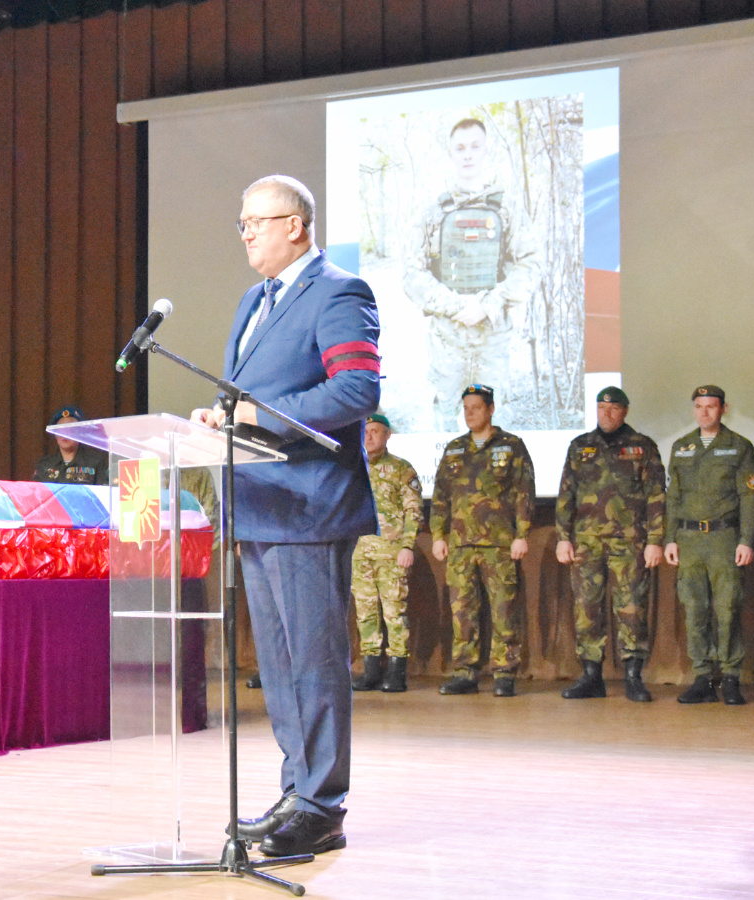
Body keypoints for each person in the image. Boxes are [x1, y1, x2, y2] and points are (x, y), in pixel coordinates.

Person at [190, 174, 379, 857]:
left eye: (256, 222)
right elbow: (249, 395)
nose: (246, 234)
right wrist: (221, 417)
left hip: (310, 507)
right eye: (242, 223)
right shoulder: (254, 300)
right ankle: (298, 790)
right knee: (276, 664)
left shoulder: (339, 290)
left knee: (314, 661)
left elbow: (356, 387)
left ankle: (323, 804)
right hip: (260, 507)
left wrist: (260, 416)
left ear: (296, 224)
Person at [405, 117, 542, 431]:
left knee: (493, 424)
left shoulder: (507, 208)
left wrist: (488, 304)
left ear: (486, 152)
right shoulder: (433, 212)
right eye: (460, 148)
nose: (468, 154)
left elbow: (531, 264)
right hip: (446, 337)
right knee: (445, 418)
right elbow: (412, 274)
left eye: (475, 146)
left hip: (492, 337)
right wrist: (456, 307)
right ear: (451, 154)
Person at [553, 387, 666, 702]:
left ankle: (633, 676)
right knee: (586, 609)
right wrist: (563, 538)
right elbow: (566, 495)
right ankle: (591, 676)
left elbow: (656, 496)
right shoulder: (580, 446)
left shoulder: (642, 447)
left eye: (613, 408)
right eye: (601, 407)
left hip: (630, 542)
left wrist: (655, 540)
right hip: (586, 542)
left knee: (631, 608)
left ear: (625, 411)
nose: (606, 413)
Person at [430, 384, 534, 698]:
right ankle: (465, 672)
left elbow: (524, 493)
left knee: (504, 610)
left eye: (476, 407)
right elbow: (440, 496)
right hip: (461, 544)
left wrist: (522, 534)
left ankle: (504, 673)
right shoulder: (454, 449)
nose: (470, 413)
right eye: (465, 408)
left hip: (499, 544)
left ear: (490, 409)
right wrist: (438, 534)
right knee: (463, 612)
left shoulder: (512, 445)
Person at [663, 386, 754, 706]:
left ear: (723, 409)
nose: (704, 412)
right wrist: (669, 538)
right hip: (689, 539)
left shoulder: (739, 447)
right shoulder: (681, 447)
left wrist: (746, 540)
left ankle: (731, 677)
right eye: (699, 406)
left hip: (723, 538)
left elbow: (749, 497)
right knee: (694, 609)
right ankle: (702, 676)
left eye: (711, 406)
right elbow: (673, 497)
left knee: (728, 608)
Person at [349, 414, 423, 693]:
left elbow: (413, 510)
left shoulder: (401, 469)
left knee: (394, 612)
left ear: (388, 435)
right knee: (365, 612)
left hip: (392, 553)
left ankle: (396, 671)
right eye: (365, 431)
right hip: (359, 553)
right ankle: (370, 670)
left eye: (375, 431)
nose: (369, 436)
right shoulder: (353, 468)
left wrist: (407, 545)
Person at [33, 405, 110, 485]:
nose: (65, 434)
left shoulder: (95, 462)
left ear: (80, 432)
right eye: (60, 430)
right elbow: (36, 493)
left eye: (70, 429)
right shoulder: (45, 465)